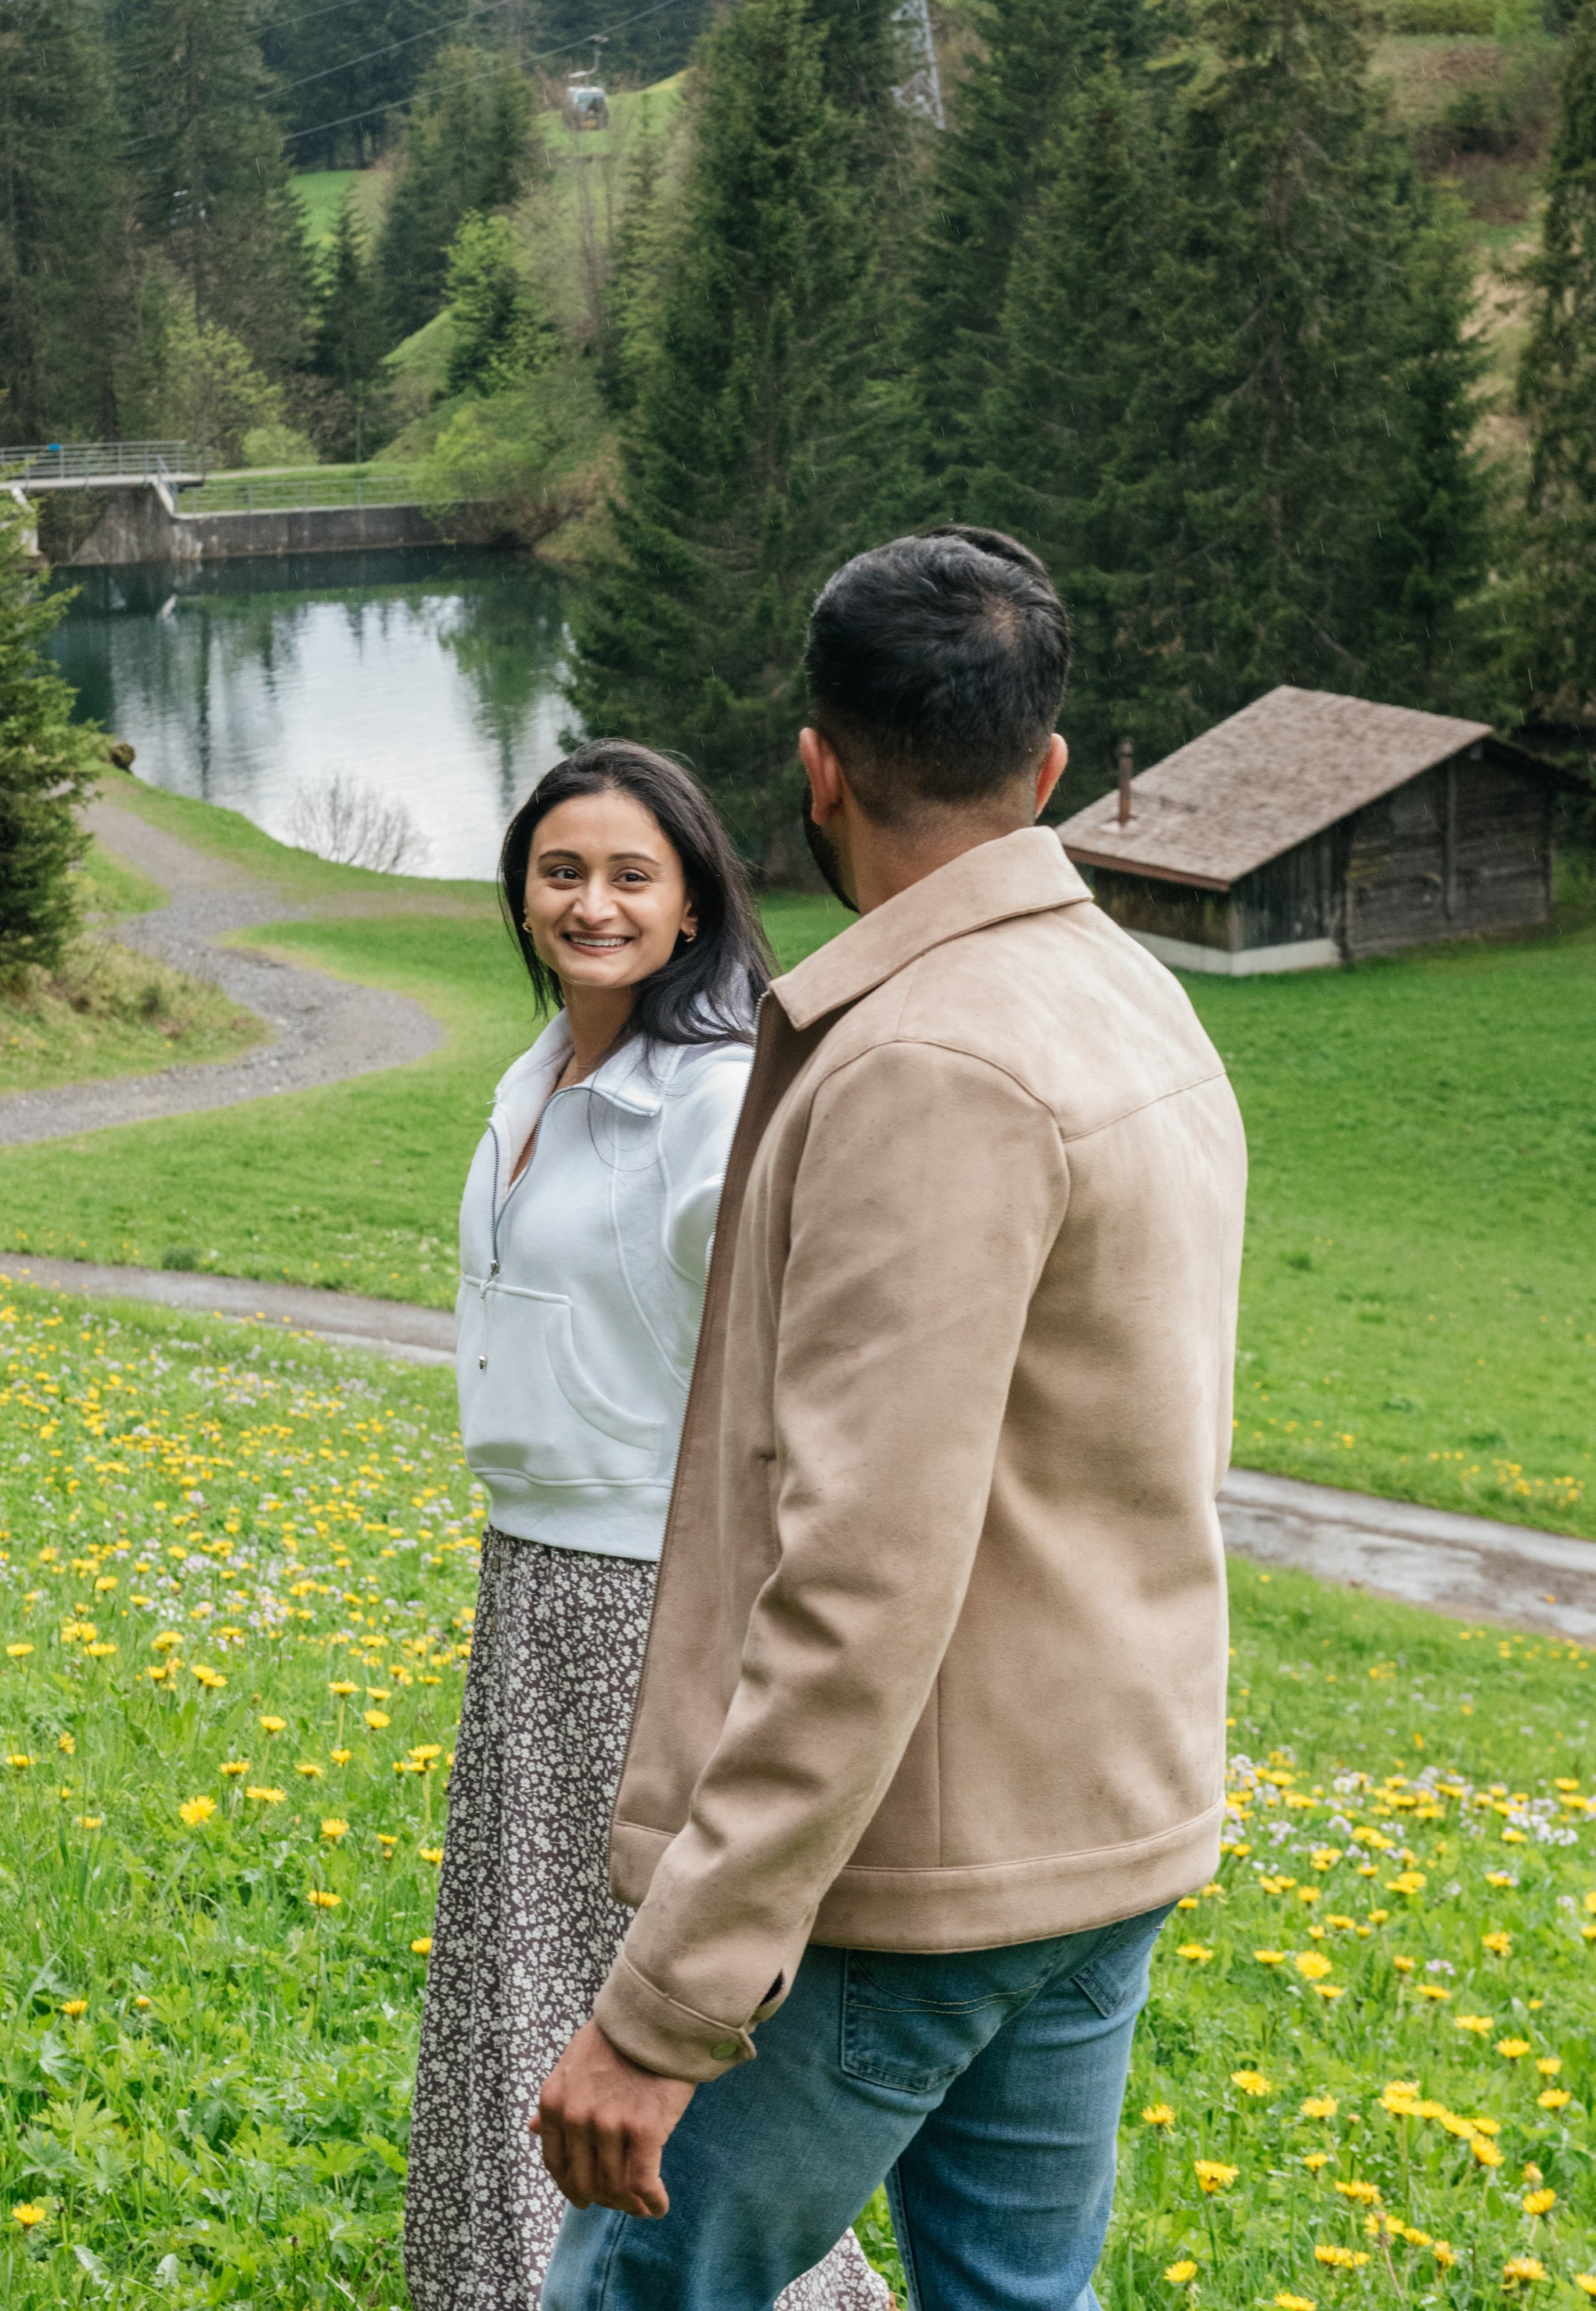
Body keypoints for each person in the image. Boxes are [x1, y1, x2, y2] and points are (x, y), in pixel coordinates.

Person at [532, 530, 1249, 2311]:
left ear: (817, 765)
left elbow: (858, 1582)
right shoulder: (1126, 994)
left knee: (628, 2299)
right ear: (1050, 768)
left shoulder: (929, 1061)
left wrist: (667, 2002)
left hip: (910, 1877)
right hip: (1096, 1825)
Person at [404, 738, 887, 2311]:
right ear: (521, 894)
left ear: (690, 909)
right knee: (514, 1968)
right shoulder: (540, 1068)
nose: (590, 901)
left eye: (629, 876)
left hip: (644, 1595)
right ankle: (509, 2277)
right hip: (536, 1574)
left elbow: (794, 1302)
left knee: (598, 1987)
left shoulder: (706, 1093)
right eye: (561, 871)